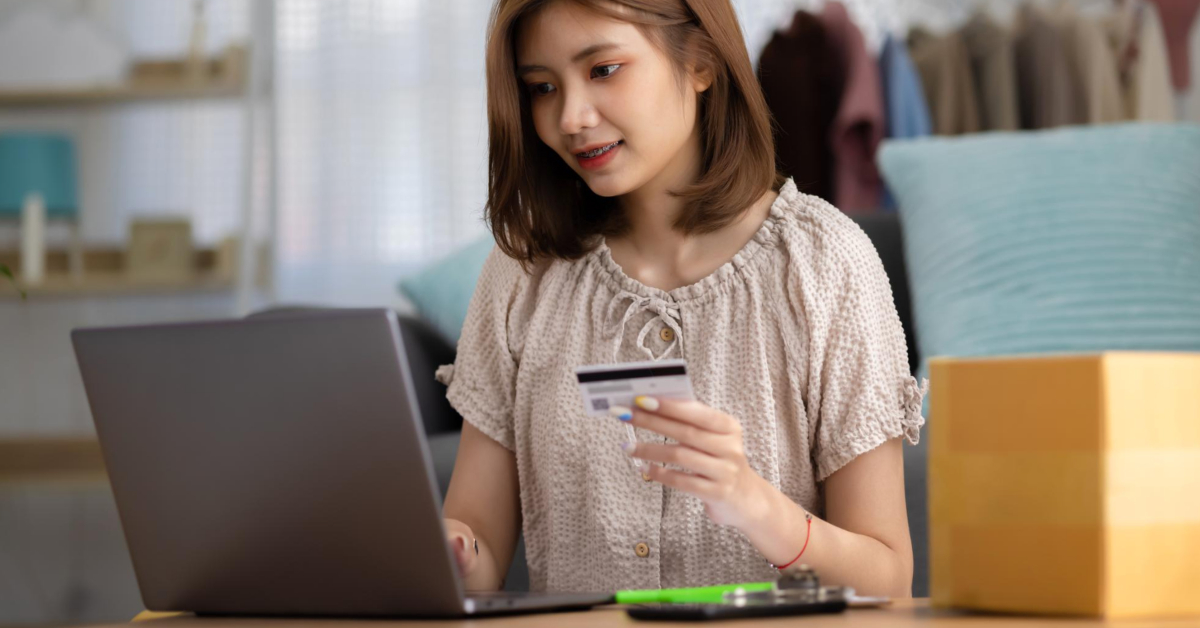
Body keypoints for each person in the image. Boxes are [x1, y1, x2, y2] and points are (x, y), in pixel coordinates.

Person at [436, 0, 926, 598]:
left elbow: (888, 578)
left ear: (700, 61)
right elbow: (477, 554)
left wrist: (754, 505)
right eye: (541, 87)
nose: (570, 116)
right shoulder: (521, 274)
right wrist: (451, 550)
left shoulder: (825, 265)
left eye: (603, 70)